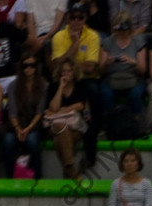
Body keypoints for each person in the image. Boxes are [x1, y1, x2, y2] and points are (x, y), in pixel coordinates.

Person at [50, 3, 99, 167]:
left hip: (85, 80)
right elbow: (56, 67)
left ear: (85, 18)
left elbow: (91, 67)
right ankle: (71, 169)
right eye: (73, 17)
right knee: (54, 87)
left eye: (81, 17)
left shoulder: (93, 35)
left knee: (93, 89)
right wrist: (75, 45)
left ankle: (95, 125)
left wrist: (68, 65)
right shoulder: (59, 37)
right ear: (67, 18)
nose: (77, 21)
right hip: (64, 79)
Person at [99, 11, 147, 133]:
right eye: (119, 30)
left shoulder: (138, 42)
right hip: (112, 78)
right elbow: (100, 70)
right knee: (106, 93)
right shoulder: (107, 42)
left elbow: (143, 69)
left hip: (133, 77)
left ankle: (136, 125)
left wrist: (133, 62)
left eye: (124, 30)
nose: (121, 33)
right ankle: (109, 126)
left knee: (135, 94)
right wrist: (107, 63)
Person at [2, 52, 45, 178]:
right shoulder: (13, 85)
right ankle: (9, 177)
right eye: (25, 66)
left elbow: (40, 111)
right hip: (16, 123)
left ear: (37, 67)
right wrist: (18, 129)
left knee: (32, 141)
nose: (29, 68)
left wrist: (28, 128)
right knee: (8, 141)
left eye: (32, 65)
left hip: (35, 123)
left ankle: (38, 176)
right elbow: (12, 111)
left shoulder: (43, 85)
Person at [44, 56, 87, 178]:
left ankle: (67, 171)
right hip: (56, 126)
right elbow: (53, 108)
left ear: (74, 71)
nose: (66, 73)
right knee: (60, 125)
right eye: (63, 71)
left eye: (69, 70)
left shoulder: (80, 86)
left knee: (58, 141)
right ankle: (72, 168)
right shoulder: (53, 87)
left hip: (75, 126)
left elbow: (80, 105)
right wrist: (61, 87)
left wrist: (63, 111)